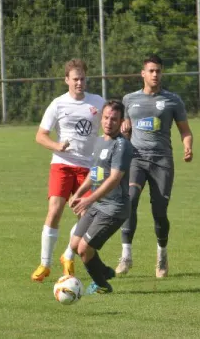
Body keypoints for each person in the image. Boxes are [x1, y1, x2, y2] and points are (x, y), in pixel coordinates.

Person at [115, 54, 193, 278]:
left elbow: (185, 130)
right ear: (143, 74)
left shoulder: (172, 100)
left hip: (162, 161)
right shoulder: (129, 100)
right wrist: (125, 129)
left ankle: (162, 255)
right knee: (129, 201)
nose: (155, 75)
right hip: (136, 159)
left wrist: (187, 146)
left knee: (159, 213)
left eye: (158, 71)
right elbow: (122, 130)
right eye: (151, 71)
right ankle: (126, 256)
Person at [31, 58, 106, 282]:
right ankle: (45, 264)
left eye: (82, 78)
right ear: (66, 80)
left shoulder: (98, 102)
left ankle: (68, 255)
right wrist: (57, 146)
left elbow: (110, 124)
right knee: (55, 209)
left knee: (88, 216)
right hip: (62, 163)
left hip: (88, 167)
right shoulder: (58, 104)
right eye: (75, 79)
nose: (79, 83)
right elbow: (40, 135)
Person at [69, 100, 133, 294]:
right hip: (98, 204)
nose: (109, 122)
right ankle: (104, 271)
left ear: (121, 121)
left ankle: (102, 285)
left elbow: (114, 179)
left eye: (114, 119)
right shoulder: (99, 141)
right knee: (74, 244)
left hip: (114, 208)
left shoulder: (121, 146)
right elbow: (94, 173)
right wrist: (80, 193)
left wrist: (89, 199)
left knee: (84, 249)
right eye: (106, 118)